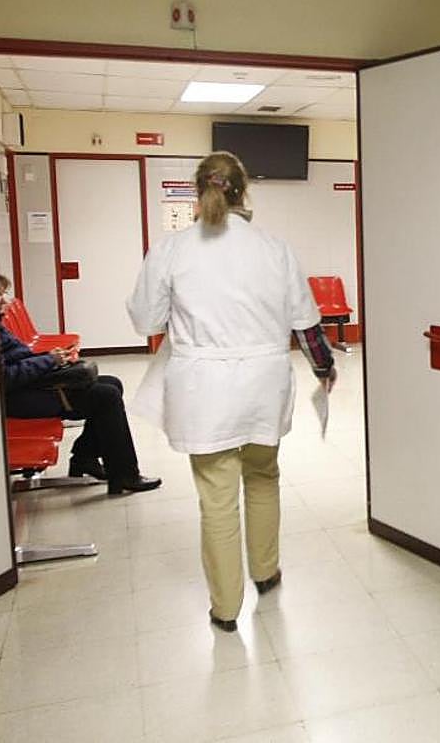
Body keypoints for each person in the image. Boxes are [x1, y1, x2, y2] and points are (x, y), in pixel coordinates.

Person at [127, 151, 336, 633]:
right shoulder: (274, 248)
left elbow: (145, 321)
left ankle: (225, 609)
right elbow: (306, 323)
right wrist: (324, 367)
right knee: (263, 476)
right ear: (244, 192)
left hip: (204, 392)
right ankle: (266, 573)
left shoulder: (172, 250)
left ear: (198, 192)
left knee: (218, 498)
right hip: (264, 384)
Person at [0, 273, 161, 494]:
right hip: (19, 398)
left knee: (113, 384)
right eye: (0, 296)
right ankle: (124, 474)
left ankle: (85, 457)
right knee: (106, 396)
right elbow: (5, 377)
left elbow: (20, 359)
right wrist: (49, 360)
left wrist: (49, 357)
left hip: (30, 387)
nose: (7, 301)